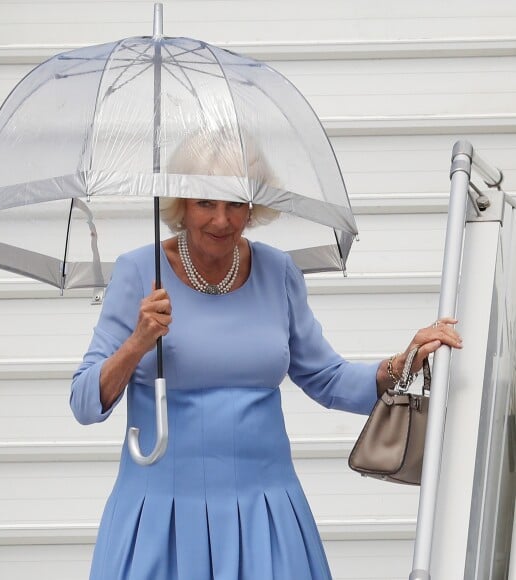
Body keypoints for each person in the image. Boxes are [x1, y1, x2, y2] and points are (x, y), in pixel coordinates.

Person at [70, 138, 463, 580]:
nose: (222, 220)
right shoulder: (139, 272)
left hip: (264, 515)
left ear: (254, 206)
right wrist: (136, 343)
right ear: (181, 205)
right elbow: (84, 403)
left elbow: (328, 379)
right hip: (163, 519)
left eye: (237, 203)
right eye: (205, 203)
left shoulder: (279, 272)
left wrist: (400, 364)